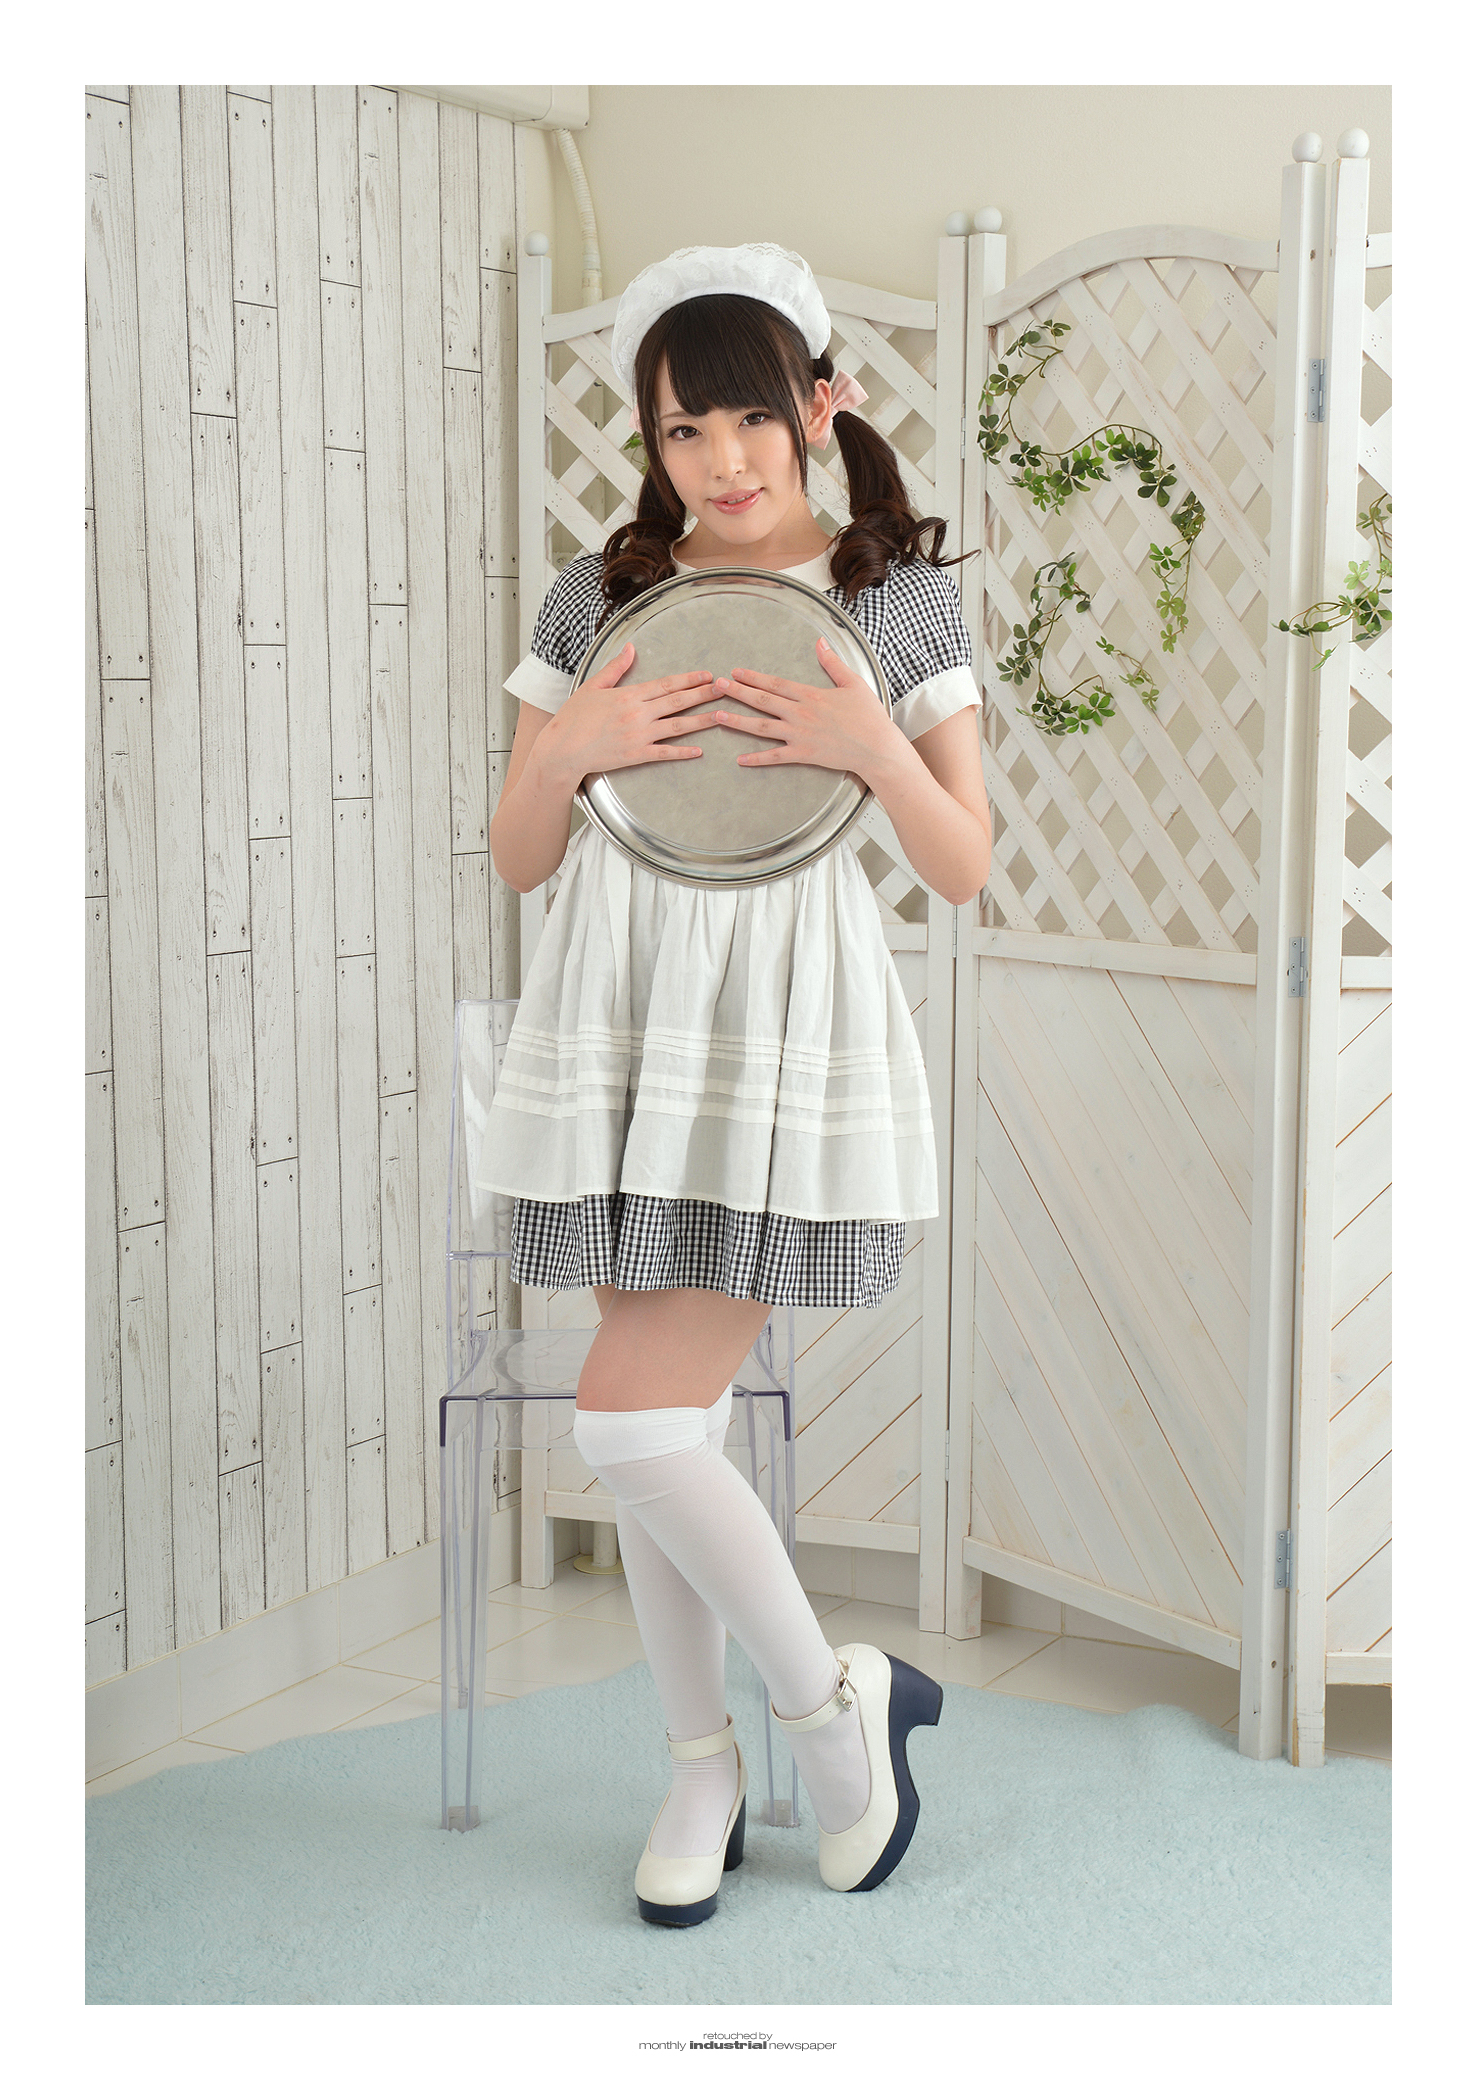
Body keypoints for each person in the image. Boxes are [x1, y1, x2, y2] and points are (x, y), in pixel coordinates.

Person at [485, 242, 993, 1927]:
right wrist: (568, 750)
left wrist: (868, 744)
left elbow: (962, 863)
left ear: (819, 404)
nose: (719, 459)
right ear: (651, 436)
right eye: (682, 428)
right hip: (620, 1010)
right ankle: (701, 1766)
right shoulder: (596, 592)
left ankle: (831, 1710)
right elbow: (520, 851)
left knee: (627, 1419)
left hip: (782, 1023)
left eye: (750, 418)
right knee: (667, 1426)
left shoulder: (892, 598)